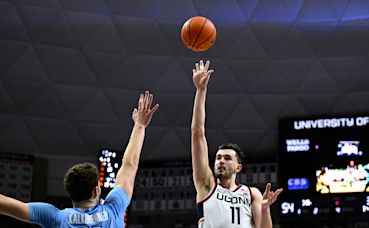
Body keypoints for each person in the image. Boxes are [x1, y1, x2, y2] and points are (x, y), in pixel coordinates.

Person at [0, 91, 159, 227]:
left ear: (69, 191)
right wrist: (139, 126)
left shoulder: (54, 218)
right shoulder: (114, 209)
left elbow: (5, 205)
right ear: (96, 190)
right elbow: (129, 166)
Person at [190, 60, 282, 228]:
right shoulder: (207, 187)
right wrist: (201, 90)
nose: (221, 161)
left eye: (227, 158)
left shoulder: (251, 193)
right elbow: (197, 133)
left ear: (238, 167)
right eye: (218, 158)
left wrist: (265, 208)